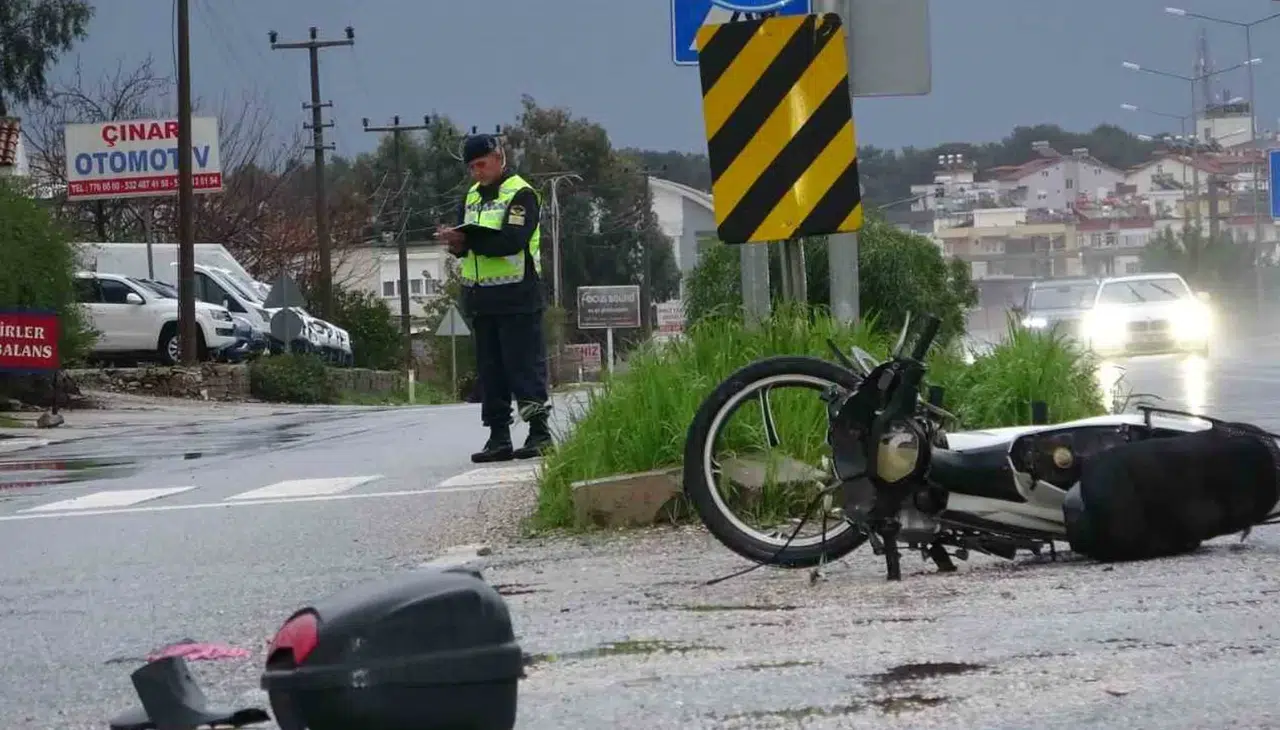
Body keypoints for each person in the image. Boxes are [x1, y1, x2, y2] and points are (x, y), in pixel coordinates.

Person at [435, 133, 552, 463]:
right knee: (492, 372)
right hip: (481, 300)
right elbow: (468, 245)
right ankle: (498, 437)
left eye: (482, 164)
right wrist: (456, 244)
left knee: (525, 368)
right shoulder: (471, 197)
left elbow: (513, 240)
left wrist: (469, 242)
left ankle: (539, 433)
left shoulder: (521, 194)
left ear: (499, 157)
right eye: (471, 167)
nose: (477, 172)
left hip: (518, 296)